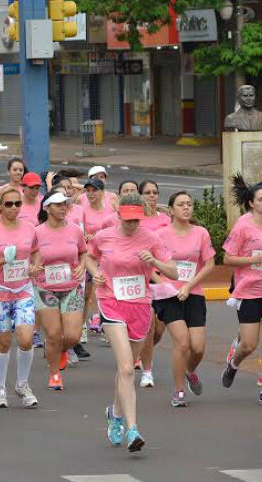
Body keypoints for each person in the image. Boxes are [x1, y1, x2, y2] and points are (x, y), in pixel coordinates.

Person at [86, 193, 175, 452]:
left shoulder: (152, 238)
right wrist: (96, 273)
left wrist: (155, 261)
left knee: (125, 372)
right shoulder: (105, 236)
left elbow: (174, 271)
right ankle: (132, 429)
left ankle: (114, 413)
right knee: (126, 368)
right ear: (119, 215)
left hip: (139, 305)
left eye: (136, 220)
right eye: (128, 220)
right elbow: (89, 256)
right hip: (111, 301)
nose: (133, 224)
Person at [152, 191, 214, 407]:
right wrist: (165, 285)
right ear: (171, 210)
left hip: (193, 293)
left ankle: (190, 371)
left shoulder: (201, 233)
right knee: (182, 343)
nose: (186, 208)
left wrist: (188, 285)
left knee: (197, 348)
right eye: (181, 204)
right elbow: (149, 267)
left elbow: (209, 264)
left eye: (189, 204)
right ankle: (178, 392)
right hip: (169, 296)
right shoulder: (160, 235)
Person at [0, 187, 38, 409]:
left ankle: (22, 384)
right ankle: (0, 388)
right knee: (3, 343)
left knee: (26, 339)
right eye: (9, 204)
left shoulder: (29, 228)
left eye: (17, 203)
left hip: (24, 288)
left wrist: (34, 265)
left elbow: (35, 250)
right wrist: (2, 261)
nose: (14, 207)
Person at [31, 190, 88, 391]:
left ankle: (60, 350)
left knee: (73, 336)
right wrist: (32, 269)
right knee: (54, 333)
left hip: (71, 287)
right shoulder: (37, 232)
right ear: (47, 208)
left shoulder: (74, 230)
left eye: (66, 204)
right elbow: (28, 258)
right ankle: (54, 374)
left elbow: (83, 252)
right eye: (58, 204)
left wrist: (82, 266)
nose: (64, 208)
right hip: (45, 289)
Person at [221, 175, 262, 405]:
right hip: (248, 288)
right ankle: (233, 364)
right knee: (249, 344)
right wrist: (253, 259)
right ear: (251, 203)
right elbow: (227, 259)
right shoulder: (243, 226)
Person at [136, 179, 173, 387]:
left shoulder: (166, 220)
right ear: (141, 196)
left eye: (154, 192)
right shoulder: (136, 221)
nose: (151, 196)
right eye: (147, 192)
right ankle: (147, 371)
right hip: (143, 278)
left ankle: (140, 351)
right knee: (148, 327)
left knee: (159, 330)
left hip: (163, 279)